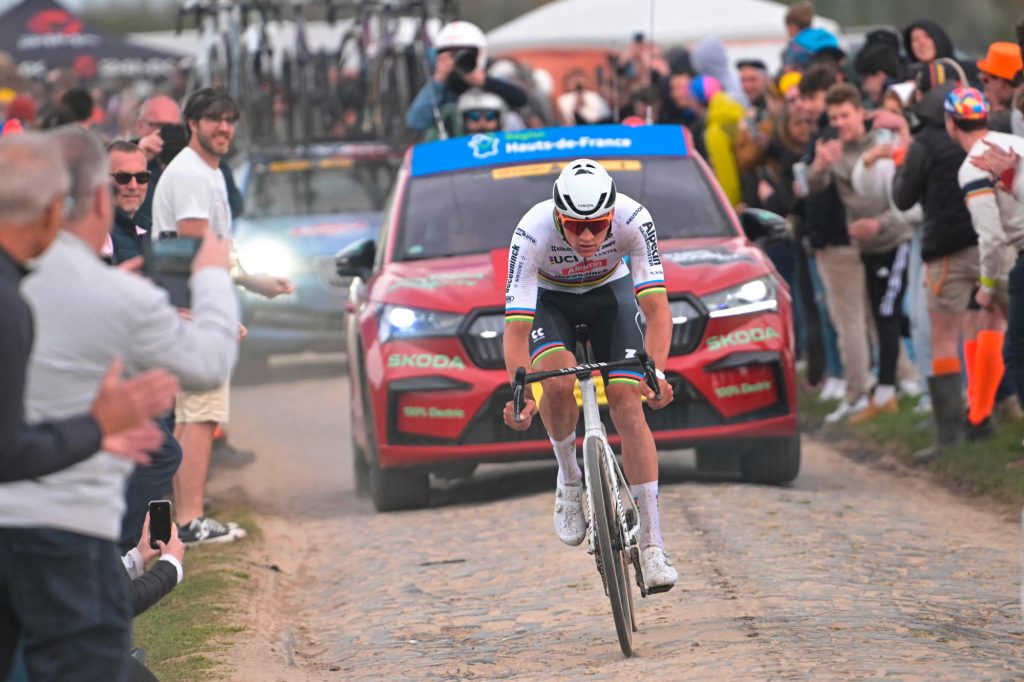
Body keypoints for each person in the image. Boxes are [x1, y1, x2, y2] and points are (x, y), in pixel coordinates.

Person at [0, 125, 237, 681]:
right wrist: (211, 278)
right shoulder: (113, 296)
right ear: (101, 198)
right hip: (68, 532)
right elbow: (208, 362)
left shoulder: (24, 282)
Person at [501, 159, 678, 592]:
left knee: (628, 405)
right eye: (575, 226)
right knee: (557, 382)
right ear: (558, 215)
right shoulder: (532, 230)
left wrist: (654, 373)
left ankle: (654, 547)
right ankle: (569, 475)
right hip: (550, 300)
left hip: (608, 297)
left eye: (597, 226)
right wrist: (520, 391)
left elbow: (657, 311)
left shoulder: (635, 220)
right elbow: (516, 330)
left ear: (612, 215)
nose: (585, 237)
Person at [152, 88, 291, 545]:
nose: (224, 128)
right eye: (214, 119)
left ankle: (187, 517)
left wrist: (253, 282)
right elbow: (195, 248)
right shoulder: (192, 174)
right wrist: (215, 314)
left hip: (193, 303)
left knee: (199, 414)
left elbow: (217, 250)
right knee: (199, 413)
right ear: (192, 124)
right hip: (191, 306)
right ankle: (189, 521)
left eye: (230, 119)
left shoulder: (209, 172)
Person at [0, 133, 175, 487]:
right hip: (92, 378)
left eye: (141, 178)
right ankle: (149, 536)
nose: (133, 186)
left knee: (161, 449)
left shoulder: (146, 230)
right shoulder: (85, 241)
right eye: (122, 178)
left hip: (133, 369)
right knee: (160, 453)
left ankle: (154, 535)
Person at [808, 83, 915, 423]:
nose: (839, 122)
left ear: (861, 113)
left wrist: (879, 223)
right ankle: (896, 384)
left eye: (845, 115)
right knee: (873, 318)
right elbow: (816, 188)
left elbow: (908, 197)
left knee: (880, 317)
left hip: (895, 237)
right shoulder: (834, 150)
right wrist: (819, 166)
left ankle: (880, 390)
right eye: (834, 117)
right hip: (864, 244)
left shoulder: (883, 142)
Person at [947, 88, 1024, 435]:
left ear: (951, 124)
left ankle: (985, 418)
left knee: (1017, 353)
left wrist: (987, 285)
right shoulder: (1015, 142)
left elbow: (991, 236)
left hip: (1015, 257)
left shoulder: (973, 166)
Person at [405, 21, 526, 137]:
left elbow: (522, 99)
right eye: (452, 54)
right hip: (456, 150)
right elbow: (416, 121)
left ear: (480, 53)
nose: (458, 59)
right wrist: (439, 79)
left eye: (465, 53)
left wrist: (484, 81)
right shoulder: (443, 90)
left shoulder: (496, 75)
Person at [688, 75, 745, 207]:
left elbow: (727, 176)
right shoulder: (736, 112)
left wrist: (728, 208)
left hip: (738, 203)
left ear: (698, 99)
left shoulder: (715, 130)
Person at [976, 42, 1023, 133]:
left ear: (1000, 81)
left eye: (986, 79)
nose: (985, 85)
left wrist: (994, 111)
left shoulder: (1011, 117)